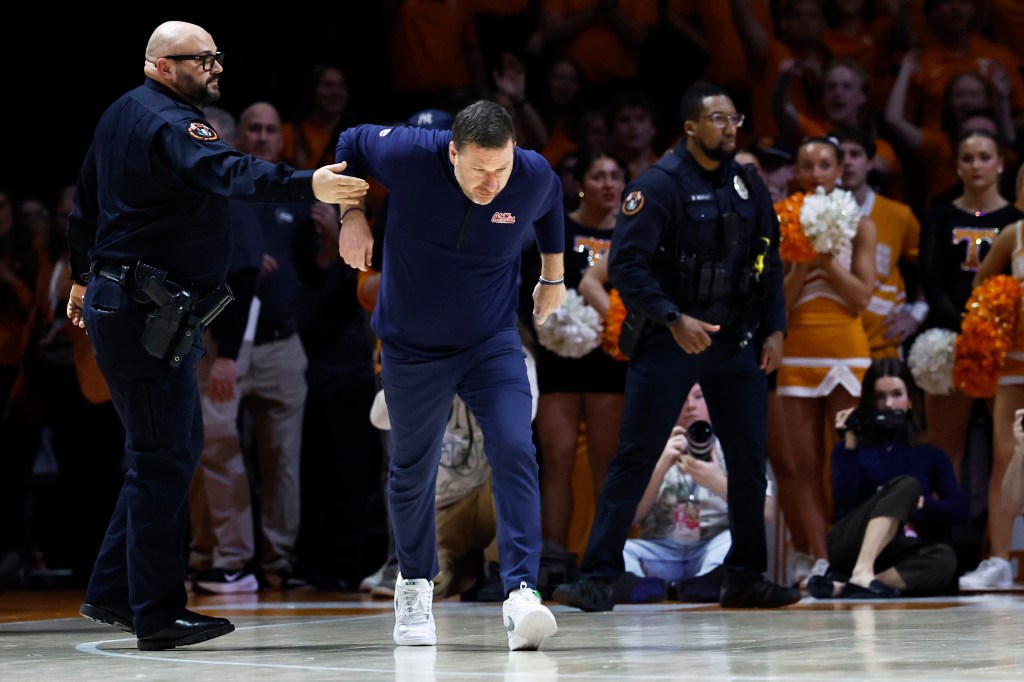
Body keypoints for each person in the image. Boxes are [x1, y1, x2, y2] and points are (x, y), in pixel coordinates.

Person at [66, 21, 368, 651]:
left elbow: (85, 207)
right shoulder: (173, 122)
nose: (216, 69)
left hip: (124, 299)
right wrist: (306, 182)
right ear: (160, 64)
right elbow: (227, 171)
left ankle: (115, 591)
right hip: (143, 306)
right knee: (167, 456)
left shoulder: (118, 115)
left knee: (158, 452)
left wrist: (79, 279)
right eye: (202, 60)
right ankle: (155, 611)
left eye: (216, 58)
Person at [552, 80, 801, 612]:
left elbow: (768, 261)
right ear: (690, 127)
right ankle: (597, 577)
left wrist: (775, 328)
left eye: (735, 119)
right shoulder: (657, 184)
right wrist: (672, 319)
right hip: (668, 340)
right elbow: (626, 267)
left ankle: (745, 577)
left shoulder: (749, 184)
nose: (730, 128)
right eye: (718, 120)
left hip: (733, 340)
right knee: (634, 456)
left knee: (749, 460)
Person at [335, 99, 562, 650]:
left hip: (490, 342)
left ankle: (522, 593)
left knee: (514, 446)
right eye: (478, 169)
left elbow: (551, 199)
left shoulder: (528, 172)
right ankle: (414, 587)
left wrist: (552, 274)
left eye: (500, 169)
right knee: (412, 469)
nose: (491, 183)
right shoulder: (409, 154)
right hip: (413, 348)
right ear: (453, 151)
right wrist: (354, 215)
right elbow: (349, 141)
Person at [773, 135, 877, 587]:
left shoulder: (863, 224)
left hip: (845, 349)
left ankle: (848, 553)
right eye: (808, 165)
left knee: (845, 461)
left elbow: (861, 298)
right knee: (803, 463)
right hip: (797, 348)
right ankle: (819, 556)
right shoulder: (781, 222)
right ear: (796, 173)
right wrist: (800, 263)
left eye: (825, 165)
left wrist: (827, 261)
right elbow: (781, 301)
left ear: (840, 171)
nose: (817, 173)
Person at [521, 148, 628, 554]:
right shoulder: (556, 231)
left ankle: (604, 558)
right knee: (558, 460)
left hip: (610, 361)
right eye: (598, 176)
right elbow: (532, 289)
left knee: (605, 461)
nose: (608, 184)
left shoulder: (630, 234)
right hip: (560, 360)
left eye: (615, 176)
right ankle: (553, 556)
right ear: (580, 185)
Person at [807, 358, 968, 599]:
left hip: (899, 549)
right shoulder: (850, 449)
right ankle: (862, 570)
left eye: (896, 394)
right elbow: (843, 502)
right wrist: (849, 444)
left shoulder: (931, 454)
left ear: (911, 400)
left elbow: (961, 511)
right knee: (907, 484)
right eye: (879, 396)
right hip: (852, 543)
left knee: (945, 558)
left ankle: (852, 585)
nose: (888, 404)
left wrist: (920, 503)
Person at [622, 383, 776, 602]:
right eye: (681, 398)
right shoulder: (652, 448)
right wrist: (661, 464)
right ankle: (645, 587)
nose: (690, 407)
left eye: (699, 397)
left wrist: (716, 481)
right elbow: (630, 516)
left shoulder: (734, 447)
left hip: (711, 547)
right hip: (662, 547)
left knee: (736, 542)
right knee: (619, 548)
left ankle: (703, 584)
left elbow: (766, 511)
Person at [959, 163, 1024, 589]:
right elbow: (981, 286)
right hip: (1016, 360)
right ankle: (999, 560)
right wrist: (1002, 309)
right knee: (1006, 454)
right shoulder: (1014, 234)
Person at [832, 125, 923, 360]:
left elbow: (931, 267)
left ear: (871, 162)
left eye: (856, 154)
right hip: (831, 338)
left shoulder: (899, 215)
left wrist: (916, 314)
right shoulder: (813, 212)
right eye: (840, 156)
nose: (848, 162)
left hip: (883, 344)